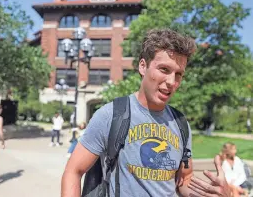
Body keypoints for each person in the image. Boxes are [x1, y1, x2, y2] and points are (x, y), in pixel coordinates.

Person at [61, 29, 232, 197]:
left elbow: (184, 179)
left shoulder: (181, 123)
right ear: (143, 66)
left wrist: (211, 194)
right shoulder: (112, 115)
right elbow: (73, 171)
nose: (172, 82)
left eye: (178, 74)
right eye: (164, 69)